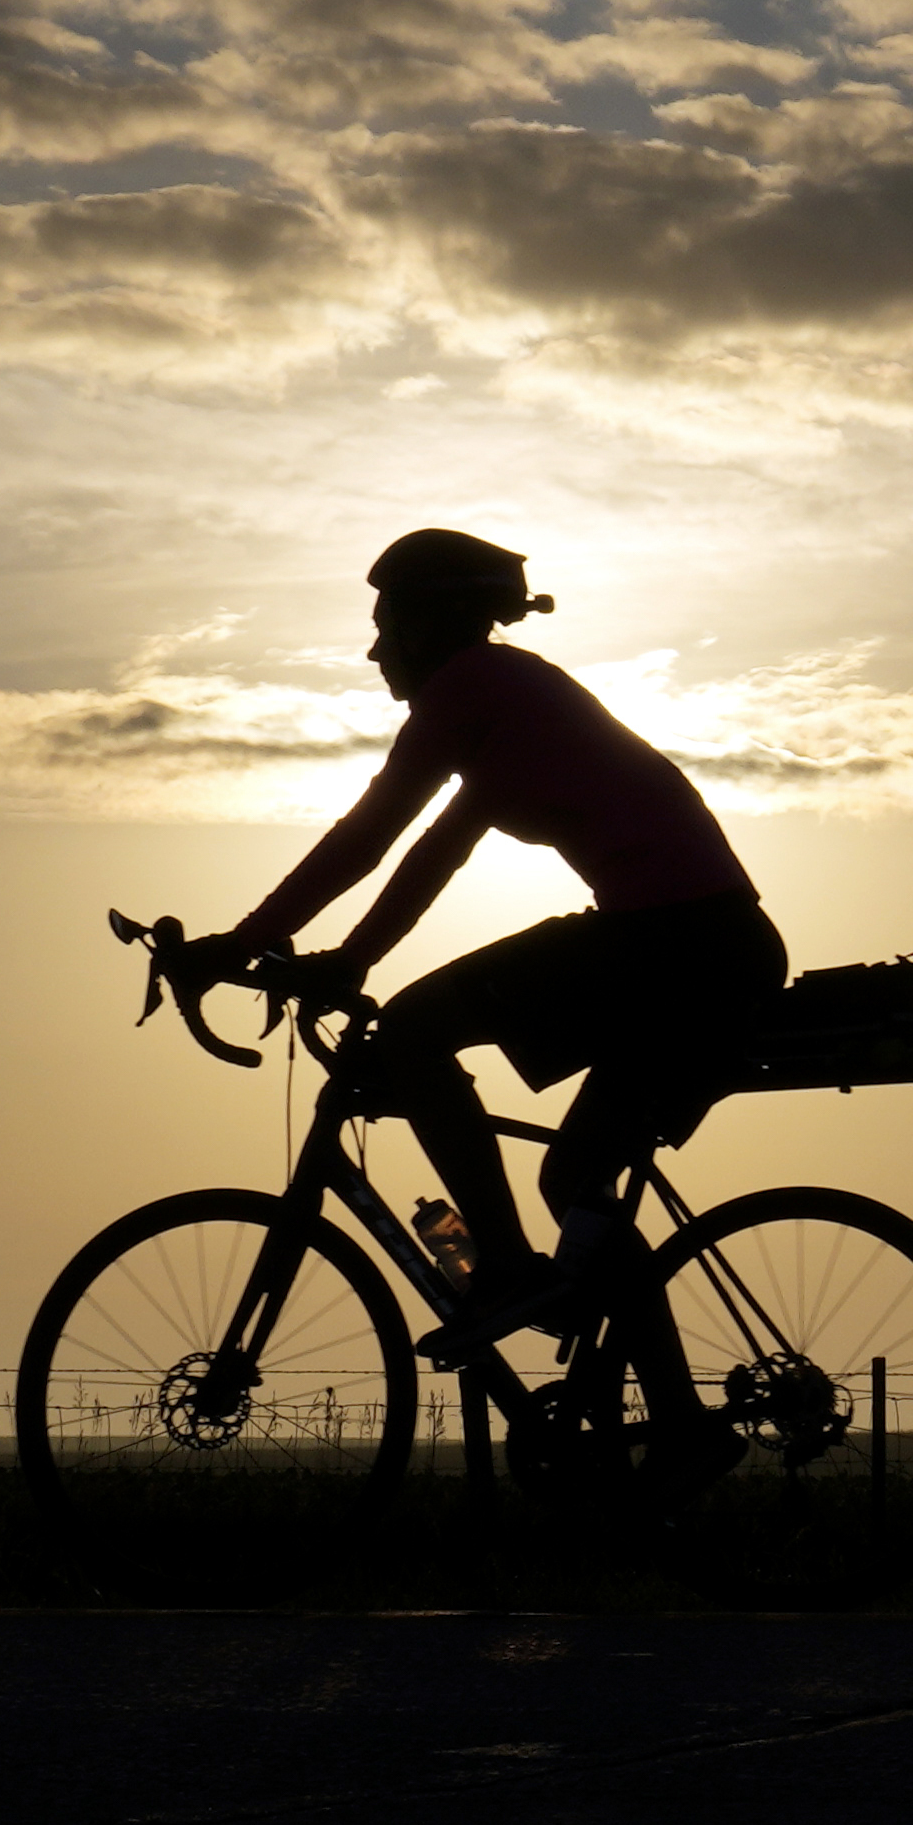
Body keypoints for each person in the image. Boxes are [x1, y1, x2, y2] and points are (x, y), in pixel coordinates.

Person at [196, 528, 783, 1477]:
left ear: (431, 624)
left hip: (674, 944)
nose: (375, 648)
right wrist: (346, 958)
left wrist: (246, 940)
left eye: (386, 624)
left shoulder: (470, 688)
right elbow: (435, 851)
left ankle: (505, 1271)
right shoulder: (507, 700)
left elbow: (372, 832)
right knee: (577, 1183)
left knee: (419, 1030)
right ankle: (678, 1427)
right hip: (701, 949)